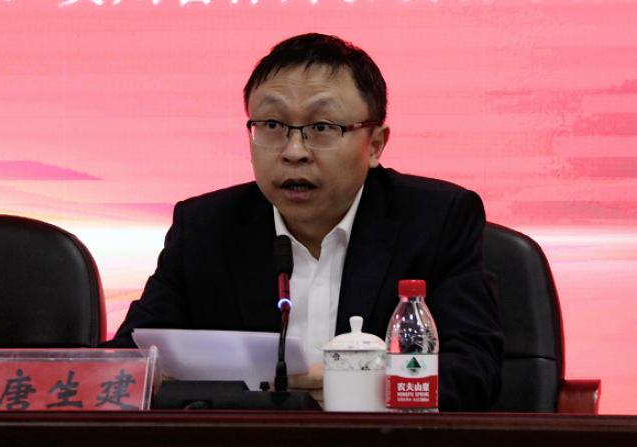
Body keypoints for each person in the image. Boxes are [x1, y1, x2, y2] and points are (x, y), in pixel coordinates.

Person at [103, 33, 504, 411]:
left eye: (322, 127)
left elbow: (473, 371)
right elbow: (127, 361)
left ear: (375, 145)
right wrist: (149, 379)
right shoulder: (205, 229)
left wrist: (362, 388)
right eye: (272, 126)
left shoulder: (437, 220)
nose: (294, 151)